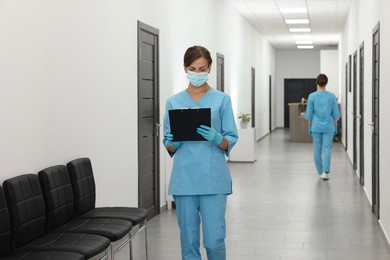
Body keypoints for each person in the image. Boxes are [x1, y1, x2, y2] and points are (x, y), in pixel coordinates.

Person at [162, 45, 238, 260]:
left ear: (210, 68)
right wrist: (174, 142)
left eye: (202, 68)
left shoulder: (222, 100)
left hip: (213, 179)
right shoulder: (173, 102)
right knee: (188, 243)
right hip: (184, 179)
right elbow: (168, 144)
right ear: (185, 68)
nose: (197, 73)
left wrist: (217, 137)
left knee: (214, 242)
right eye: (193, 69)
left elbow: (229, 140)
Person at [305, 73, 340, 180]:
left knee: (317, 149)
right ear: (326, 83)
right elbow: (336, 115)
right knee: (327, 148)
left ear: (317, 82)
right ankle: (325, 172)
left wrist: (309, 127)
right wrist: (335, 127)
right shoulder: (332, 96)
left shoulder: (312, 96)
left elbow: (309, 114)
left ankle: (320, 172)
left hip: (315, 126)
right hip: (329, 126)